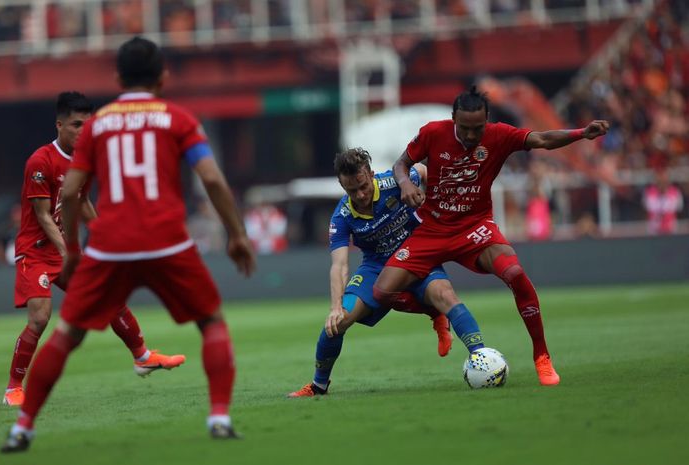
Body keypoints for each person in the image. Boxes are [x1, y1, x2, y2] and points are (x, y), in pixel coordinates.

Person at [1, 37, 256, 453]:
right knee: (211, 322)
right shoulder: (178, 117)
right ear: (163, 76)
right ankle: (220, 417)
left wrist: (76, 250)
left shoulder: (99, 125)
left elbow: (71, 194)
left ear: (118, 78)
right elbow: (211, 178)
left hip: (112, 244)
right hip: (167, 240)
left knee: (67, 333)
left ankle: (23, 428)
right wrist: (237, 234)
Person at [373, 86, 609, 386]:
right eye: (465, 129)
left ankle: (542, 357)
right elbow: (400, 164)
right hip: (431, 229)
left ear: (487, 120)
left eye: (478, 128)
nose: (472, 136)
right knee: (383, 294)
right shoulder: (433, 133)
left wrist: (581, 133)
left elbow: (542, 139)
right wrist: (405, 184)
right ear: (453, 120)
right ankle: (436, 312)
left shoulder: (500, 135)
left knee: (515, 273)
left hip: (474, 227)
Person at [3, 91, 186, 408]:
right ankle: (13, 389)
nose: (82, 132)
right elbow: (43, 215)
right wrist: (69, 252)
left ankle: (142, 357)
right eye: (76, 125)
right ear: (59, 125)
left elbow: (83, 201)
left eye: (87, 125)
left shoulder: (84, 160)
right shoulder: (40, 161)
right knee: (40, 317)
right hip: (35, 253)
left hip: (63, 251)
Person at [288, 148, 486, 398]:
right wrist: (335, 307)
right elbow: (339, 264)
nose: (359, 195)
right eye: (351, 190)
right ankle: (318, 386)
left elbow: (424, 171)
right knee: (337, 324)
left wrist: (438, 198)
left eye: (363, 186)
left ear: (371, 174)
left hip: (415, 255)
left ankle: (482, 358)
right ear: (342, 185)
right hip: (375, 266)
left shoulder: (394, 181)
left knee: (446, 295)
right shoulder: (342, 216)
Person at [642, 168, 683, 235]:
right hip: (653, 230)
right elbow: (646, 209)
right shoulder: (649, 192)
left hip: (671, 229)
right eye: (659, 179)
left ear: (668, 179)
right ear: (656, 180)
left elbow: (679, 210)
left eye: (664, 178)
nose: (662, 181)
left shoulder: (675, 192)